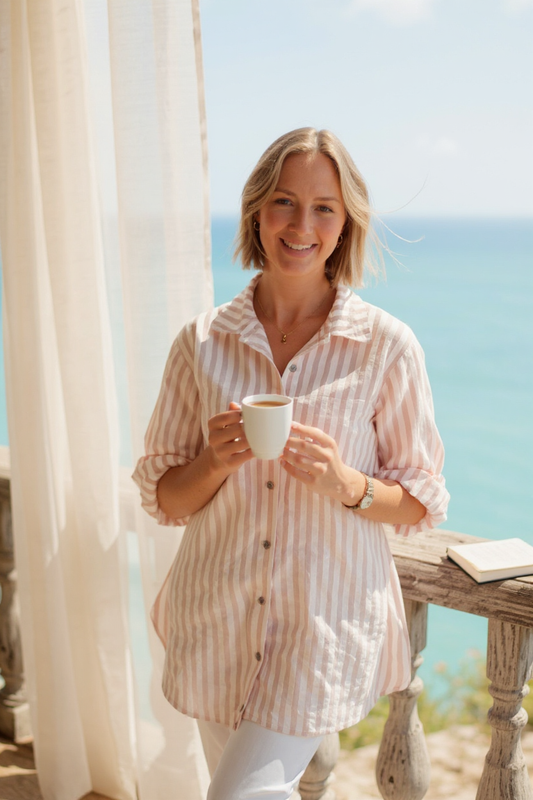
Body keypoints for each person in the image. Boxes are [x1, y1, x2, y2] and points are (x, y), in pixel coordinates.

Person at [132, 127, 449, 800]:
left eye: (323, 207)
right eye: (284, 201)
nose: (302, 225)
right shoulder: (201, 342)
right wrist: (213, 462)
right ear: (256, 211)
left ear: (345, 224)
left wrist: (346, 483)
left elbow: (421, 498)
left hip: (320, 627)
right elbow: (165, 497)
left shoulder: (386, 347)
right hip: (215, 617)